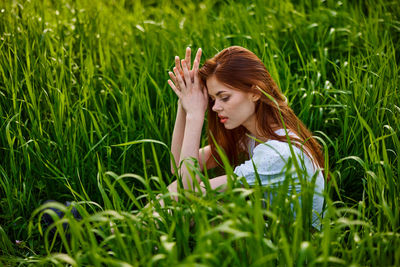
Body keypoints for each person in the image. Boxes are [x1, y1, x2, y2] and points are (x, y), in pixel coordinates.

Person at [163, 46, 326, 229]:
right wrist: (183, 103)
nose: (215, 107)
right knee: (188, 199)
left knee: (198, 208)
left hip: (295, 252)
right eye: (212, 99)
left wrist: (195, 115)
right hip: (273, 234)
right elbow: (178, 166)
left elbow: (189, 192)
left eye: (224, 97)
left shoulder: (278, 154)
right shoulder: (254, 136)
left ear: (255, 93)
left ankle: (138, 240)